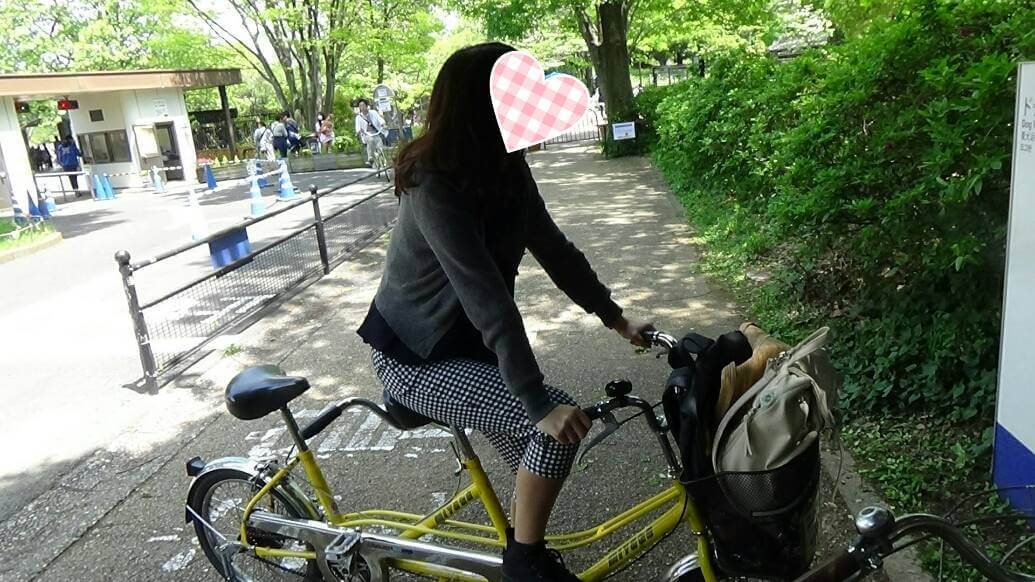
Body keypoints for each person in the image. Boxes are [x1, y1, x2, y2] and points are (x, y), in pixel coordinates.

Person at [356, 42, 651, 582]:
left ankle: (521, 542)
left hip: (468, 348)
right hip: (415, 357)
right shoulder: (432, 182)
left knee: (539, 458)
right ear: (483, 107)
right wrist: (537, 401)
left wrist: (615, 317)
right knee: (552, 428)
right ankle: (523, 564)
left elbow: (555, 249)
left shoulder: (507, 168)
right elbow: (486, 296)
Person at [354, 98, 386, 166]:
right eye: (360, 106)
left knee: (380, 144)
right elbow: (357, 128)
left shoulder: (373, 112)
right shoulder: (358, 117)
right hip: (366, 135)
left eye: (363, 105)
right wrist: (359, 131)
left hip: (376, 133)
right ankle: (370, 158)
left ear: (366, 106)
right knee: (370, 140)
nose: (362, 107)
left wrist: (383, 124)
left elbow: (380, 119)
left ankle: (381, 159)